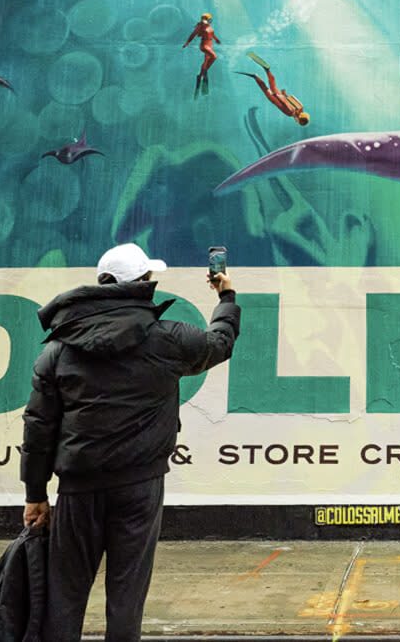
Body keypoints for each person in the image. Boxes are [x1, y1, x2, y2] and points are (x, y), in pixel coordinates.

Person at [20, 242, 239, 642]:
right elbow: (219, 344)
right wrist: (226, 297)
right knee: (126, 596)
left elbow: (38, 428)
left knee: (64, 595)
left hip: (77, 491)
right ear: (142, 283)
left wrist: (36, 494)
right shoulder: (168, 338)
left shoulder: (58, 348)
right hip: (140, 488)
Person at [236, 51, 310, 126]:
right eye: (298, 121)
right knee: (265, 89)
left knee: (273, 85)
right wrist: (276, 96)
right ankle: (255, 77)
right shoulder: (291, 113)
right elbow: (284, 104)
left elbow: (293, 98)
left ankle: (267, 70)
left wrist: (284, 95)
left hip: (282, 96)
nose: (296, 121)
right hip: (276, 99)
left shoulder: (300, 107)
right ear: (300, 119)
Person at [182, 12, 220, 97]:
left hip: (210, 44)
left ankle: (200, 77)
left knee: (206, 60)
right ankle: (204, 72)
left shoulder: (208, 26)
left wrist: (216, 39)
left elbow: (212, 34)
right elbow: (193, 34)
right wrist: (187, 42)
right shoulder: (200, 26)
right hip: (204, 44)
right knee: (214, 57)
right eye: (207, 19)